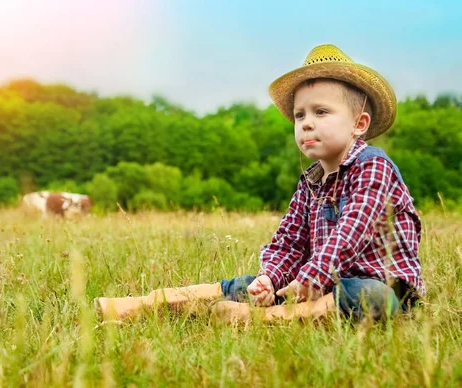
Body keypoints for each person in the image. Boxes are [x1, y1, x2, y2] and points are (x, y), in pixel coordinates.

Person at [94, 44, 425, 323]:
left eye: (321, 112)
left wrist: (310, 278)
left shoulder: (374, 167)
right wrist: (271, 277)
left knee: (370, 295)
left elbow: (349, 234)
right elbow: (289, 242)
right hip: (317, 285)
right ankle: (141, 304)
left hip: (380, 287)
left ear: (359, 124)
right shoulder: (311, 182)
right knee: (245, 284)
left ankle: (264, 320)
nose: (307, 124)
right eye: (300, 115)